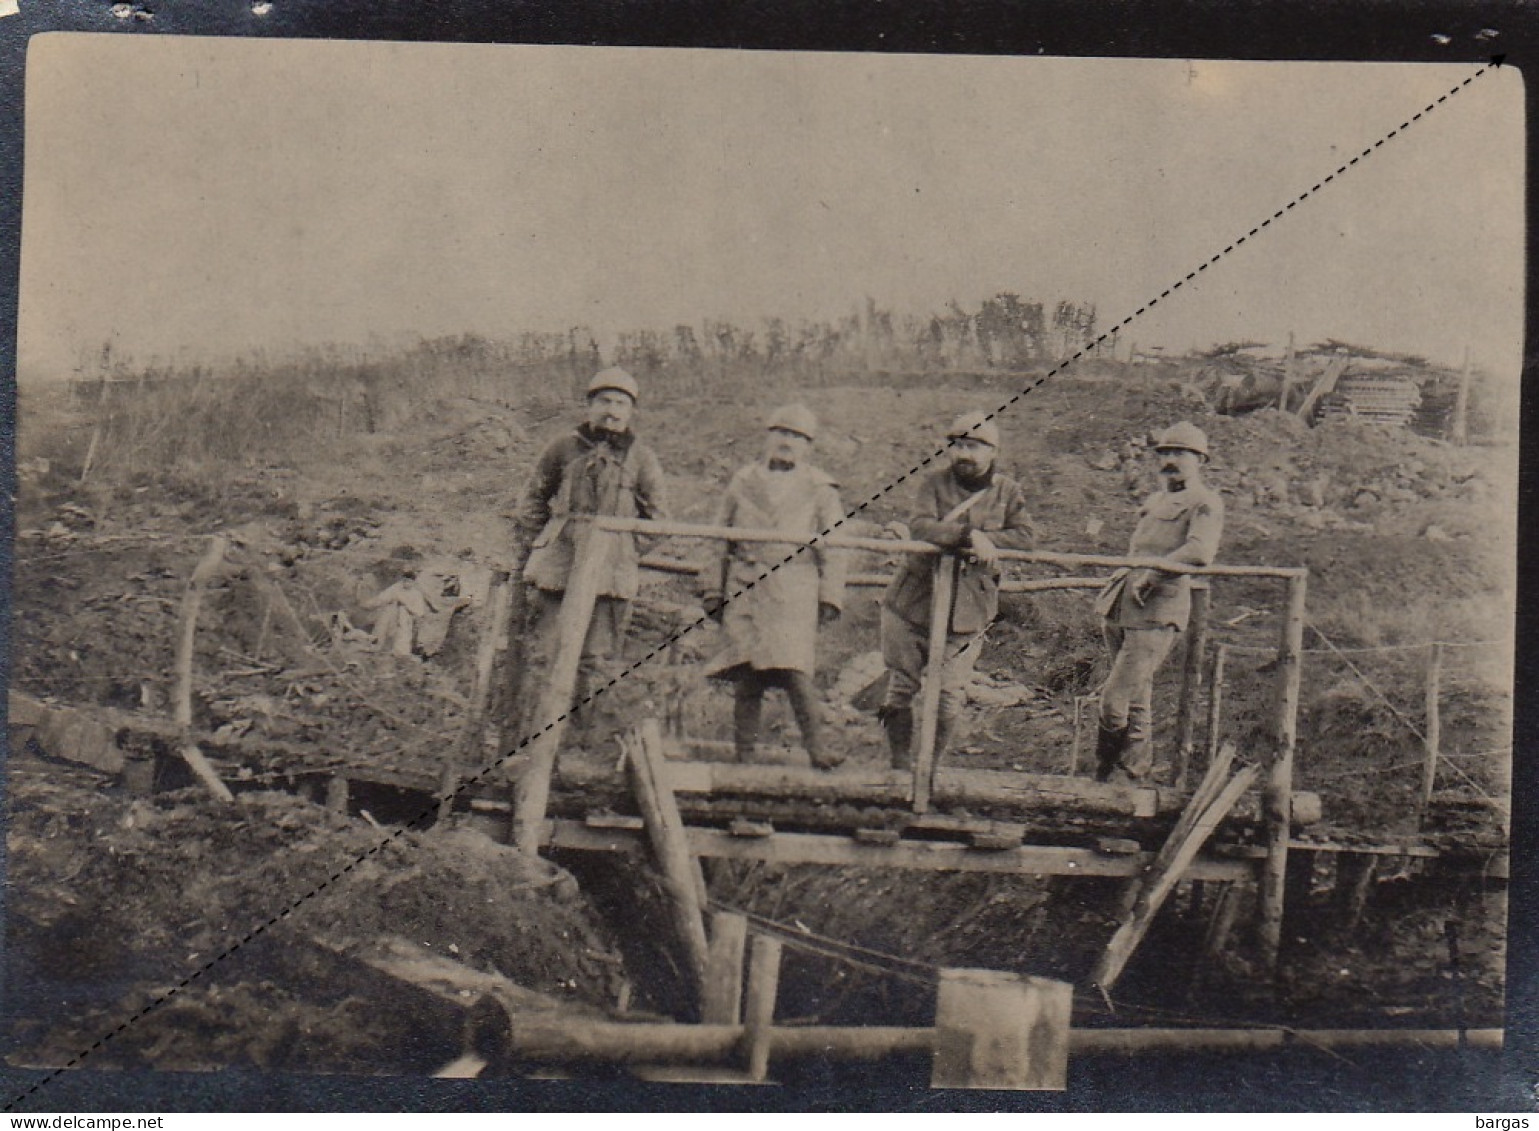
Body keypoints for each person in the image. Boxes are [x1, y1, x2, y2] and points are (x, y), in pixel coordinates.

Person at [511, 367, 669, 736]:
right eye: (604, 401)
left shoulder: (642, 458)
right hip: (559, 570)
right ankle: (534, 738)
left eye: (620, 403)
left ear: (630, 411)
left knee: (596, 660)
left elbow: (659, 518)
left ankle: (583, 741)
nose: (611, 411)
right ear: (589, 405)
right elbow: (533, 498)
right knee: (547, 653)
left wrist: (625, 549)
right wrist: (549, 539)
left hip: (611, 576)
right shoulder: (562, 447)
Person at [878, 410, 1035, 771]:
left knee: (949, 697)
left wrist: (989, 539)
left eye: (975, 447)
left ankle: (930, 769)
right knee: (901, 688)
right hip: (912, 604)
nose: (965, 454)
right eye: (958, 446)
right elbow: (920, 525)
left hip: (968, 611)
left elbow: (1025, 537)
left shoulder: (1007, 492)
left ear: (993, 452)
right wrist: (968, 536)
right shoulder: (934, 483)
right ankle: (899, 765)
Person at [701, 404, 847, 769]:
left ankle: (818, 752)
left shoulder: (820, 487)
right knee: (748, 676)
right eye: (781, 433)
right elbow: (718, 538)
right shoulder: (743, 481)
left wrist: (830, 594)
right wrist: (712, 589)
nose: (787, 442)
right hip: (745, 586)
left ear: (808, 446)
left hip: (793, 590)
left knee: (796, 673)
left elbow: (837, 544)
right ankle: (744, 759)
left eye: (797, 437)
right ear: (767, 437)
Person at [1093, 420, 1225, 783]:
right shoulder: (1156, 500)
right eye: (1165, 453)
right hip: (1122, 605)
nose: (1170, 460)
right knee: (1137, 699)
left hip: (1158, 608)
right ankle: (1132, 776)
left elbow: (1200, 551)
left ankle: (1103, 774)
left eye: (1180, 453)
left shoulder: (1205, 502)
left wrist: (1153, 576)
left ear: (1200, 458)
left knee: (1114, 703)